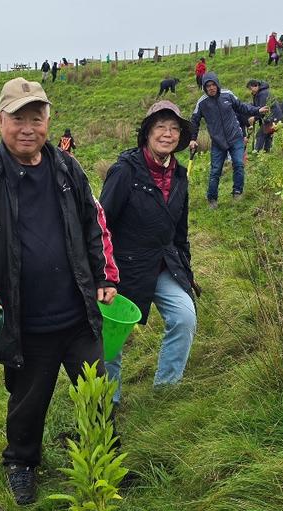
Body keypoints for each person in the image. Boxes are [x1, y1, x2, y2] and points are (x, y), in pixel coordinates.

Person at [0, 77, 119, 506]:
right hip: (24, 321)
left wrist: (106, 275)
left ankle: (101, 459)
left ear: (48, 120)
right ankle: (21, 463)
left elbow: (94, 223)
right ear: (0, 120)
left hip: (78, 312)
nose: (28, 128)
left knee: (96, 390)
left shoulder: (66, 167)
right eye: (18, 118)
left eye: (36, 118)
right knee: (28, 402)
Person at [99, 100, 198, 407]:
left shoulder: (180, 176)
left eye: (173, 129)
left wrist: (185, 269)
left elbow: (179, 232)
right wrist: (103, 275)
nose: (167, 134)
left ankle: (165, 391)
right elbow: (100, 224)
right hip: (122, 269)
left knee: (184, 317)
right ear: (147, 133)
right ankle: (108, 401)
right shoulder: (125, 172)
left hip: (164, 265)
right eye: (160, 127)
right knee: (112, 340)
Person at [188, 72, 268, 208]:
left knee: (238, 164)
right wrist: (193, 139)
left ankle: (237, 192)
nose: (211, 88)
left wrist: (257, 110)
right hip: (217, 142)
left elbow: (242, 107)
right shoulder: (202, 103)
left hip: (235, 137)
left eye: (213, 85)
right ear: (204, 88)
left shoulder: (228, 94)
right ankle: (212, 199)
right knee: (215, 171)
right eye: (208, 86)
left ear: (217, 84)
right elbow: (194, 121)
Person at [246, 80, 274, 153]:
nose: (250, 91)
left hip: (272, 117)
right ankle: (267, 152)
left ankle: (257, 153)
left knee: (260, 134)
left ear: (256, 86)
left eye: (250, 88)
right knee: (267, 134)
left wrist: (255, 118)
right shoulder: (258, 94)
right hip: (269, 118)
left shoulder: (263, 94)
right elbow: (258, 107)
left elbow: (264, 109)